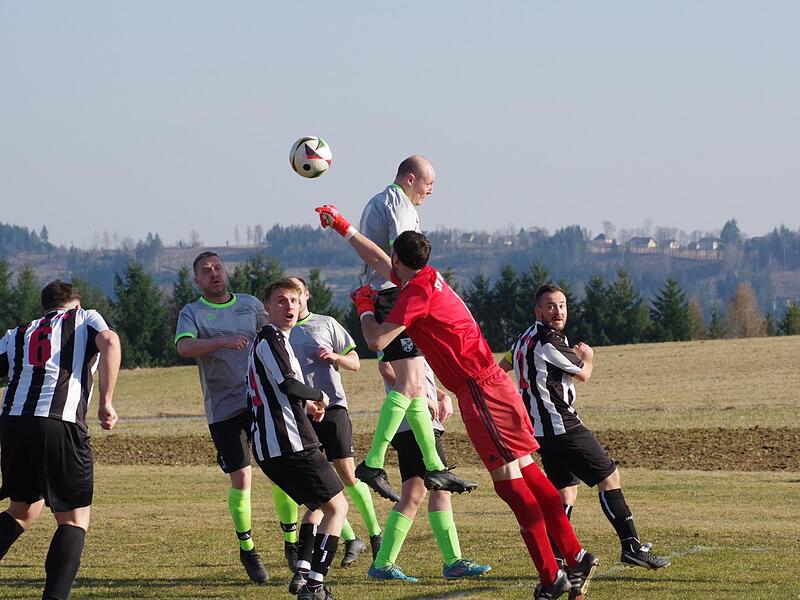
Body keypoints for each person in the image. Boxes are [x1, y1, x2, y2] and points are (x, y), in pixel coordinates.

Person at [315, 205, 599, 600]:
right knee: (528, 475)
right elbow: (379, 261)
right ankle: (574, 556)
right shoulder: (429, 278)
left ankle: (553, 574)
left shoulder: (414, 294)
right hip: (491, 387)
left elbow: (377, 340)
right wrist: (343, 228)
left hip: (481, 393)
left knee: (511, 487)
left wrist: (364, 306)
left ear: (401, 259)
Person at [500, 284, 670, 571]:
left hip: (541, 431)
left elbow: (503, 365)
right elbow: (584, 374)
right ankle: (631, 546)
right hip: (563, 426)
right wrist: (588, 356)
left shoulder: (523, 337)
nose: (558, 311)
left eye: (562, 305)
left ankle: (556, 557)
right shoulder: (549, 341)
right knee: (609, 476)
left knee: (565, 492)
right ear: (538, 310)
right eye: (551, 306)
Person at [353, 155, 476, 501]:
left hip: (386, 295)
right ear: (410, 179)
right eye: (429, 184)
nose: (430, 191)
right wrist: (425, 294)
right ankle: (374, 462)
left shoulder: (380, 201)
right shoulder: (400, 206)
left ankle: (434, 466)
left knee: (416, 383)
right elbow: (402, 256)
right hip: (393, 297)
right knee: (408, 384)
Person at [0, 280, 120, 600]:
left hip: (13, 425)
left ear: (44, 309)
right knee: (74, 518)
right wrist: (106, 402)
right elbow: (109, 339)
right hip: (59, 422)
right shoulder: (85, 318)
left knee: (24, 509)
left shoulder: (18, 333)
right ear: (76, 304)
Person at [248, 279, 347, 600]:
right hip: (289, 442)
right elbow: (290, 385)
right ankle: (314, 585)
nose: (289, 306)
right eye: (280, 300)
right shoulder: (271, 337)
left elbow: (279, 390)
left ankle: (304, 572)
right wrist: (319, 394)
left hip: (274, 445)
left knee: (318, 506)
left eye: (293, 300)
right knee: (338, 507)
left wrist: (307, 405)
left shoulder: (275, 341)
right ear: (267, 307)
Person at [174, 251, 269, 583]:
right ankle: (248, 548)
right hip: (224, 408)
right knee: (243, 478)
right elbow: (184, 349)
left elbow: (274, 339)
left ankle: (290, 540)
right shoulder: (193, 312)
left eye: (218, 267)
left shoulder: (251, 305)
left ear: (226, 272)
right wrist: (222, 342)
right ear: (197, 280)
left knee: (281, 464)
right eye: (205, 270)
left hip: (260, 401)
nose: (214, 273)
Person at [286, 275, 382, 567]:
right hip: (301, 414)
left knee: (348, 474)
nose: (293, 300)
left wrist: (335, 358)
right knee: (319, 483)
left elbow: (355, 363)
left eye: (297, 293)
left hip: (333, 408)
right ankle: (351, 538)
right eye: (287, 295)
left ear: (307, 295)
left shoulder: (326, 323)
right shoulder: (279, 333)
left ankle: (377, 535)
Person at [368, 361, 492, 582]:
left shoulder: (412, 333)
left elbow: (418, 376)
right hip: (415, 423)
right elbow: (386, 368)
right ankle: (453, 561)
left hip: (409, 424)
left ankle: (382, 564)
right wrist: (420, 398)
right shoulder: (394, 331)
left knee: (412, 495)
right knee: (441, 489)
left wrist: (443, 396)